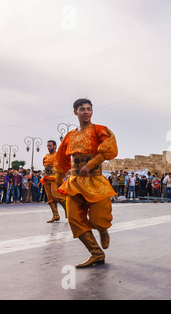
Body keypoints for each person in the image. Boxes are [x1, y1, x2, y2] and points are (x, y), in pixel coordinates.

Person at [54, 98, 118, 268]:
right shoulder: (70, 136)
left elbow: (109, 148)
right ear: (75, 112)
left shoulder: (99, 130)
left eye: (89, 109)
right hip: (75, 183)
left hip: (95, 180)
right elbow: (61, 159)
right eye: (82, 109)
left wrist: (90, 164)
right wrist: (59, 180)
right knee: (74, 219)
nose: (86, 112)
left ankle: (103, 230)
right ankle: (96, 253)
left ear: (92, 111)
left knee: (98, 220)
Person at [41, 140, 67, 223]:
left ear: (55, 146)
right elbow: (45, 165)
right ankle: (55, 215)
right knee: (50, 198)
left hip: (55, 179)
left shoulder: (58, 155)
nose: (48, 147)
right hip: (47, 178)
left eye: (50, 146)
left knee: (57, 196)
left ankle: (68, 212)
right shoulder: (46, 156)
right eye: (47, 146)